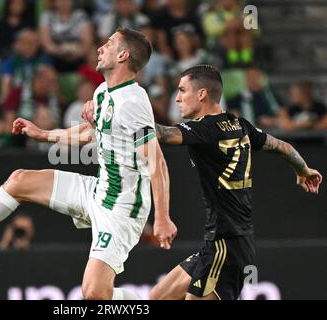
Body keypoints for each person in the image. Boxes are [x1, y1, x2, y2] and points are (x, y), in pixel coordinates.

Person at [0, 28, 177, 300]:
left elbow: (157, 161)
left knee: (95, 294)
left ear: (124, 56)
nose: (101, 47)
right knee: (20, 180)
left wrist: (162, 217)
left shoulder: (133, 101)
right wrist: (43, 135)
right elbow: (90, 133)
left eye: (110, 43)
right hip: (99, 191)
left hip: (122, 209)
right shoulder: (104, 92)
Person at [84, 64, 323, 300]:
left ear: (201, 94)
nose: (177, 98)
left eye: (182, 90)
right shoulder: (240, 125)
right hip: (220, 244)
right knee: (158, 297)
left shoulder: (204, 129)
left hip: (226, 245)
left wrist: (113, 113)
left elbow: (159, 132)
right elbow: (283, 146)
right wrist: (303, 170)